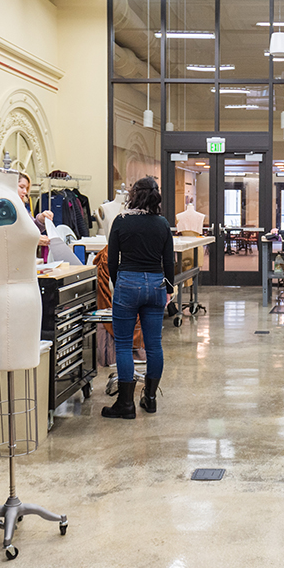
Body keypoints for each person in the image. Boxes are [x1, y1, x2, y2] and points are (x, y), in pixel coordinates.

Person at [102, 176, 174, 419]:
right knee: (154, 344)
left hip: (127, 283)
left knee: (123, 344)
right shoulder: (163, 224)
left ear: (134, 195)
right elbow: (168, 261)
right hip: (155, 284)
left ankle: (125, 405)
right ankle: (150, 399)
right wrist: (170, 289)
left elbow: (112, 260)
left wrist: (117, 282)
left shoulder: (121, 222)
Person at [18, 172, 53, 247]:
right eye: (21, 187)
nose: (25, 191)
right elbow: (9, 235)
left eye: (26, 188)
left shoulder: (21, 207)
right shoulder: (4, 207)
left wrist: (41, 218)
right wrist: (33, 239)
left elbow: (32, 228)